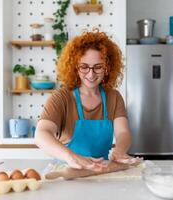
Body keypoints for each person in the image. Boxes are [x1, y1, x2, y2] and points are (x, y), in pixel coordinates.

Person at [35, 30, 137, 172]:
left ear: (107, 68)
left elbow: (123, 133)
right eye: (84, 67)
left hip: (102, 174)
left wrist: (119, 151)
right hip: (67, 174)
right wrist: (71, 157)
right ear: (74, 67)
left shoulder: (114, 97)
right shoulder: (61, 98)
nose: (91, 74)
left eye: (98, 67)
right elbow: (41, 134)